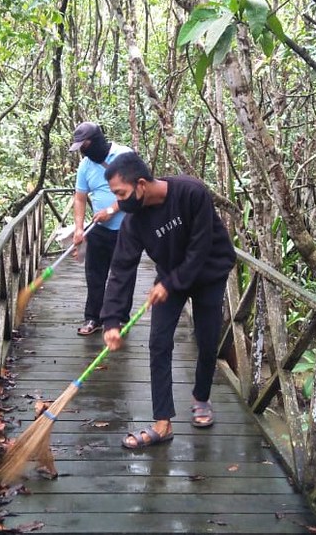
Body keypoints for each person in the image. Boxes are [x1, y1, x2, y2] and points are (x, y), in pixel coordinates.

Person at [100, 151, 236, 449]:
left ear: (141, 184)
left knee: (207, 338)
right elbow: (122, 268)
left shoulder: (191, 192)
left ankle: (201, 397)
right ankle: (163, 422)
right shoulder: (134, 221)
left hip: (210, 272)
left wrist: (171, 282)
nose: (119, 202)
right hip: (170, 278)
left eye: (121, 193)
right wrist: (111, 319)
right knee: (158, 342)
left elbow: (200, 248)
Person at [69, 122, 135, 336]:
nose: (83, 152)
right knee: (95, 275)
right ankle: (93, 318)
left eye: (84, 146)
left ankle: (118, 320)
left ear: (95, 140)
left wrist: (112, 209)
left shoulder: (124, 155)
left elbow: (137, 189)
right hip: (98, 229)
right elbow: (79, 198)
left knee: (123, 275)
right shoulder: (86, 166)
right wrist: (79, 229)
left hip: (127, 229)